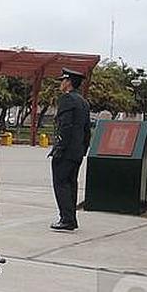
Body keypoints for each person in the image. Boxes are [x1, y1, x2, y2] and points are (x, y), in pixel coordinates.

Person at [49, 68, 91, 231]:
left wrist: (59, 147)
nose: (61, 84)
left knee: (61, 183)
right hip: (77, 150)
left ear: (68, 82)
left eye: (62, 81)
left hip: (66, 150)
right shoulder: (83, 102)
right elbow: (87, 129)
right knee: (71, 183)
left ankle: (66, 219)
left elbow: (65, 126)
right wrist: (83, 148)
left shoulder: (67, 100)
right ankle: (70, 217)